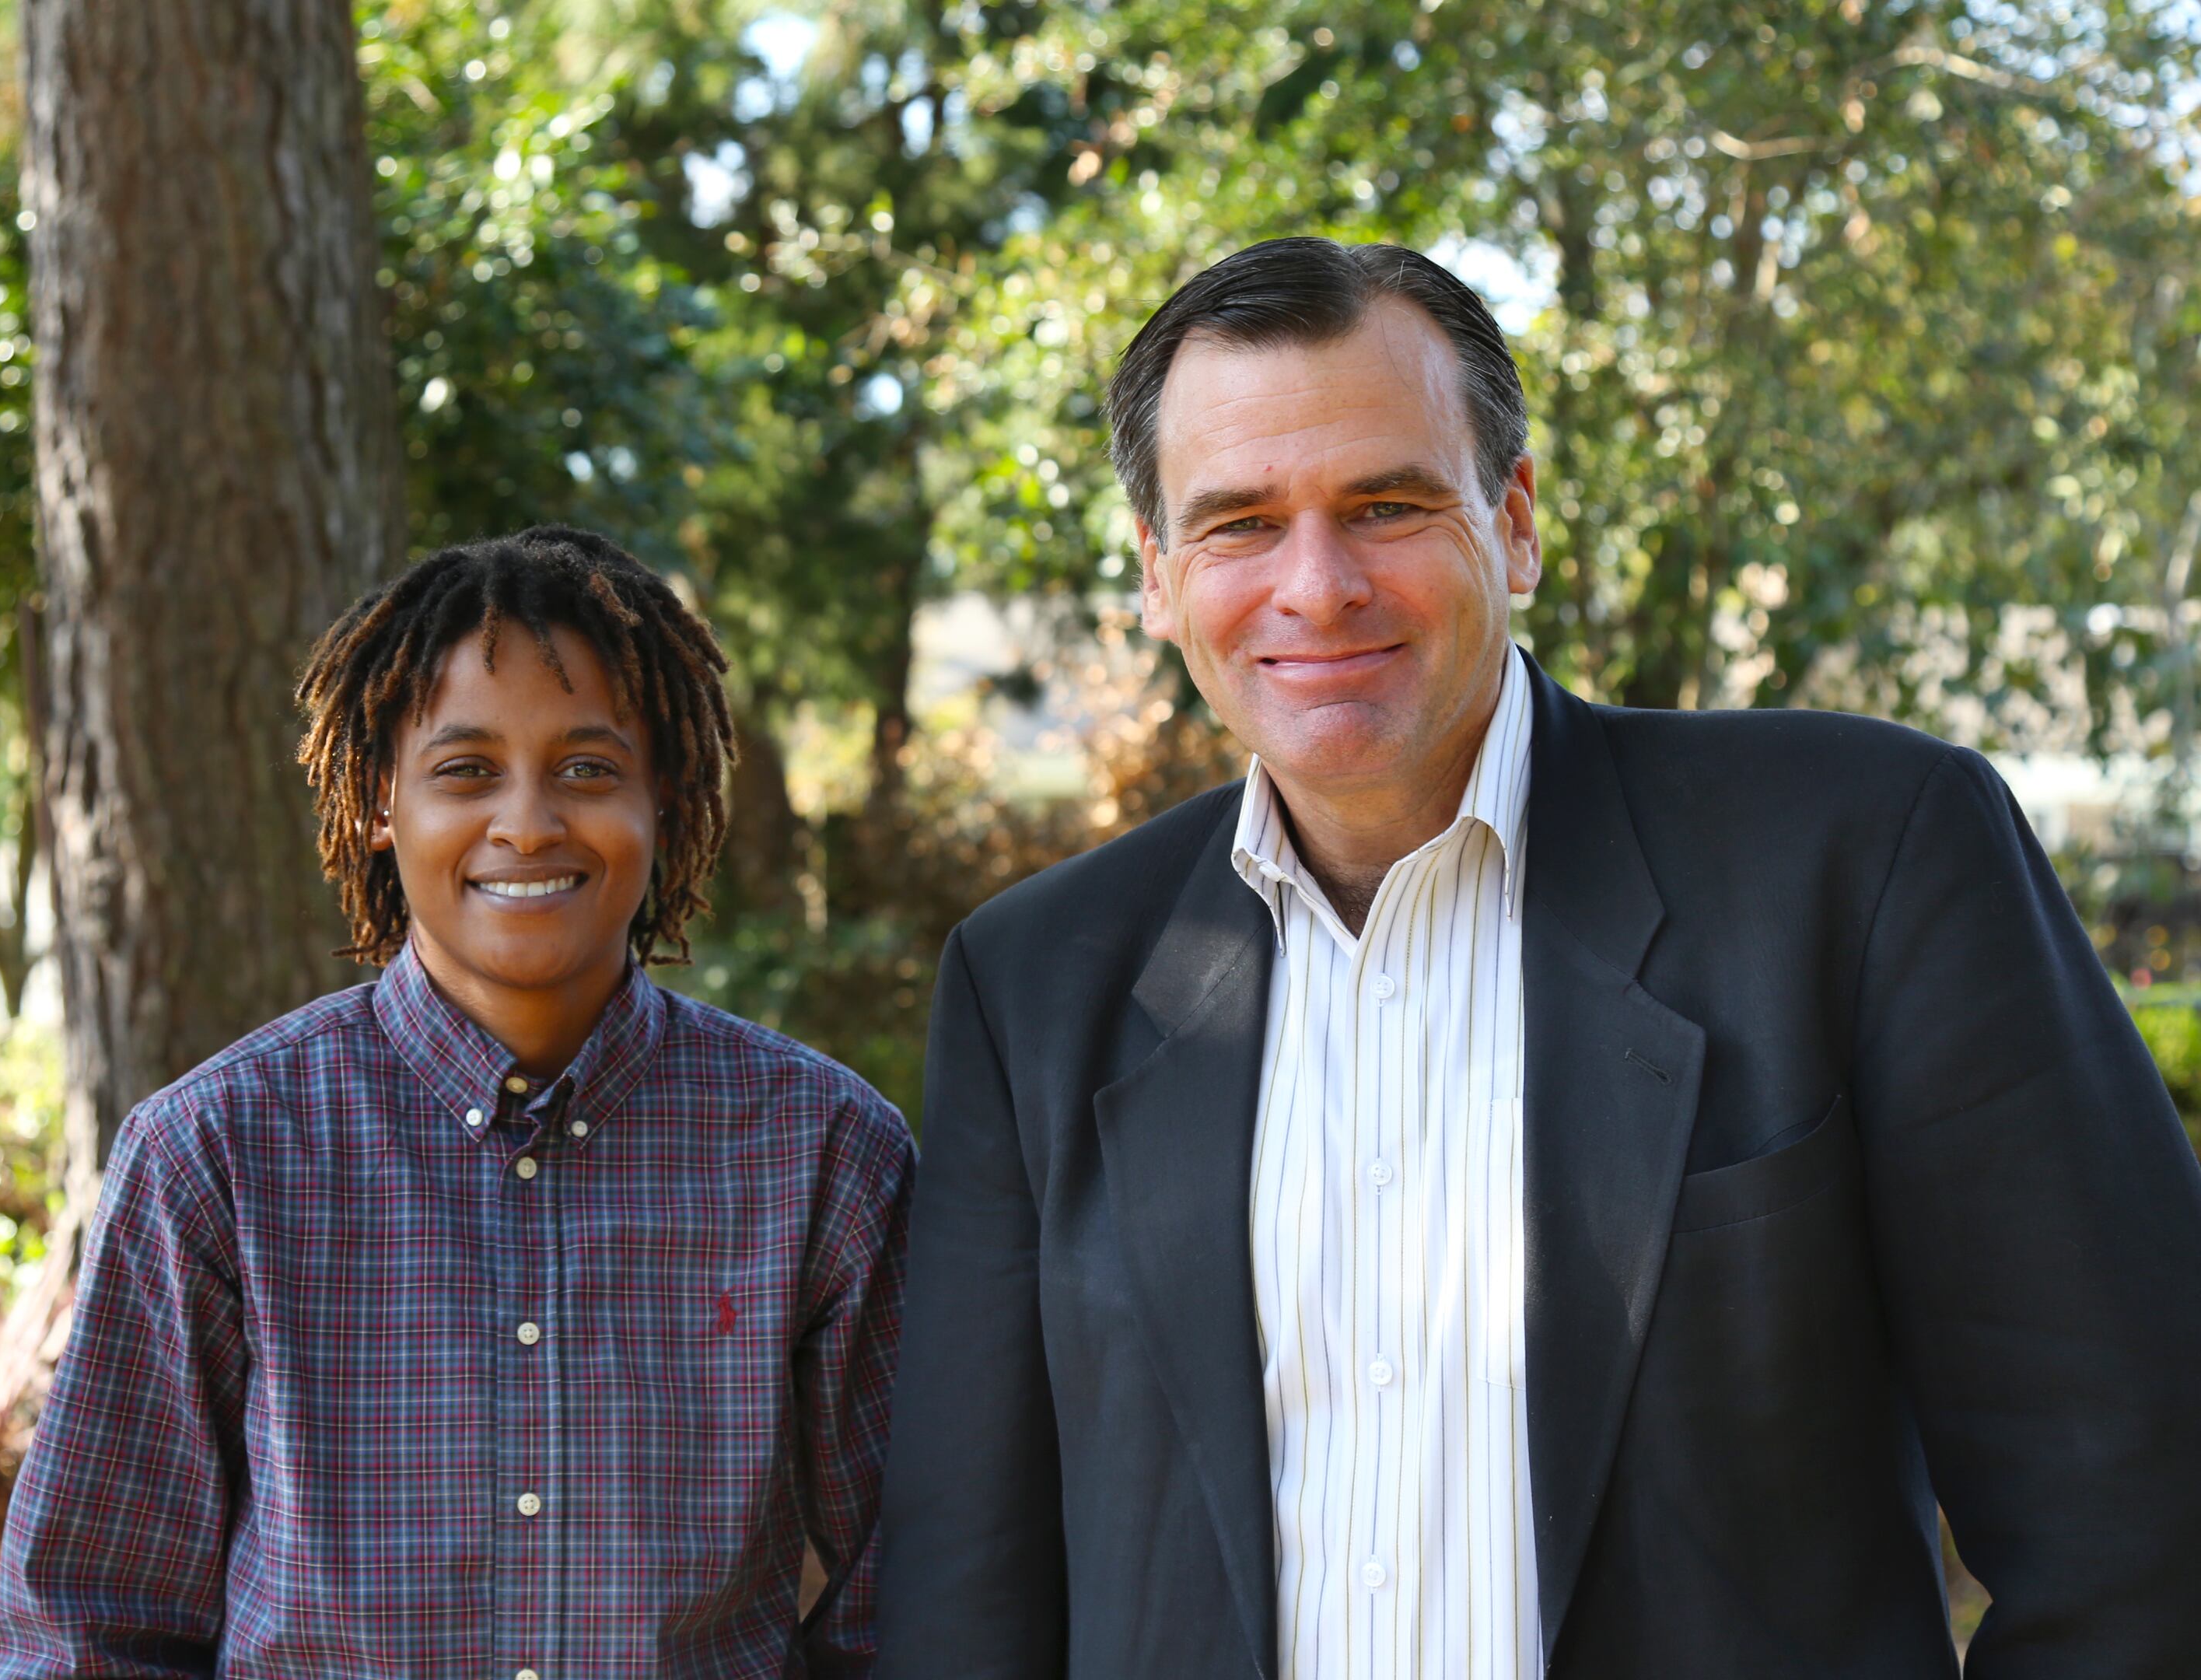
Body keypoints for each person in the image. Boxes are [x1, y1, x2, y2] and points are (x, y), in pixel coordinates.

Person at [873, 237, 2201, 1678]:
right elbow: (967, 1605)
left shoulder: (1865, 856)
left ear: (1512, 524)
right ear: (1156, 577)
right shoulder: (1034, 983)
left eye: (1385, 505)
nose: (1315, 588)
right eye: (1239, 524)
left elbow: (2136, 1514)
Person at [0, 526, 914, 1679]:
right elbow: (86, 1628)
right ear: (382, 804)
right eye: (465, 770)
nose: (526, 822)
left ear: (664, 800)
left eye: (587, 768)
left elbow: (914, 1597)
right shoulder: (213, 1157)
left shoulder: (821, 1154)